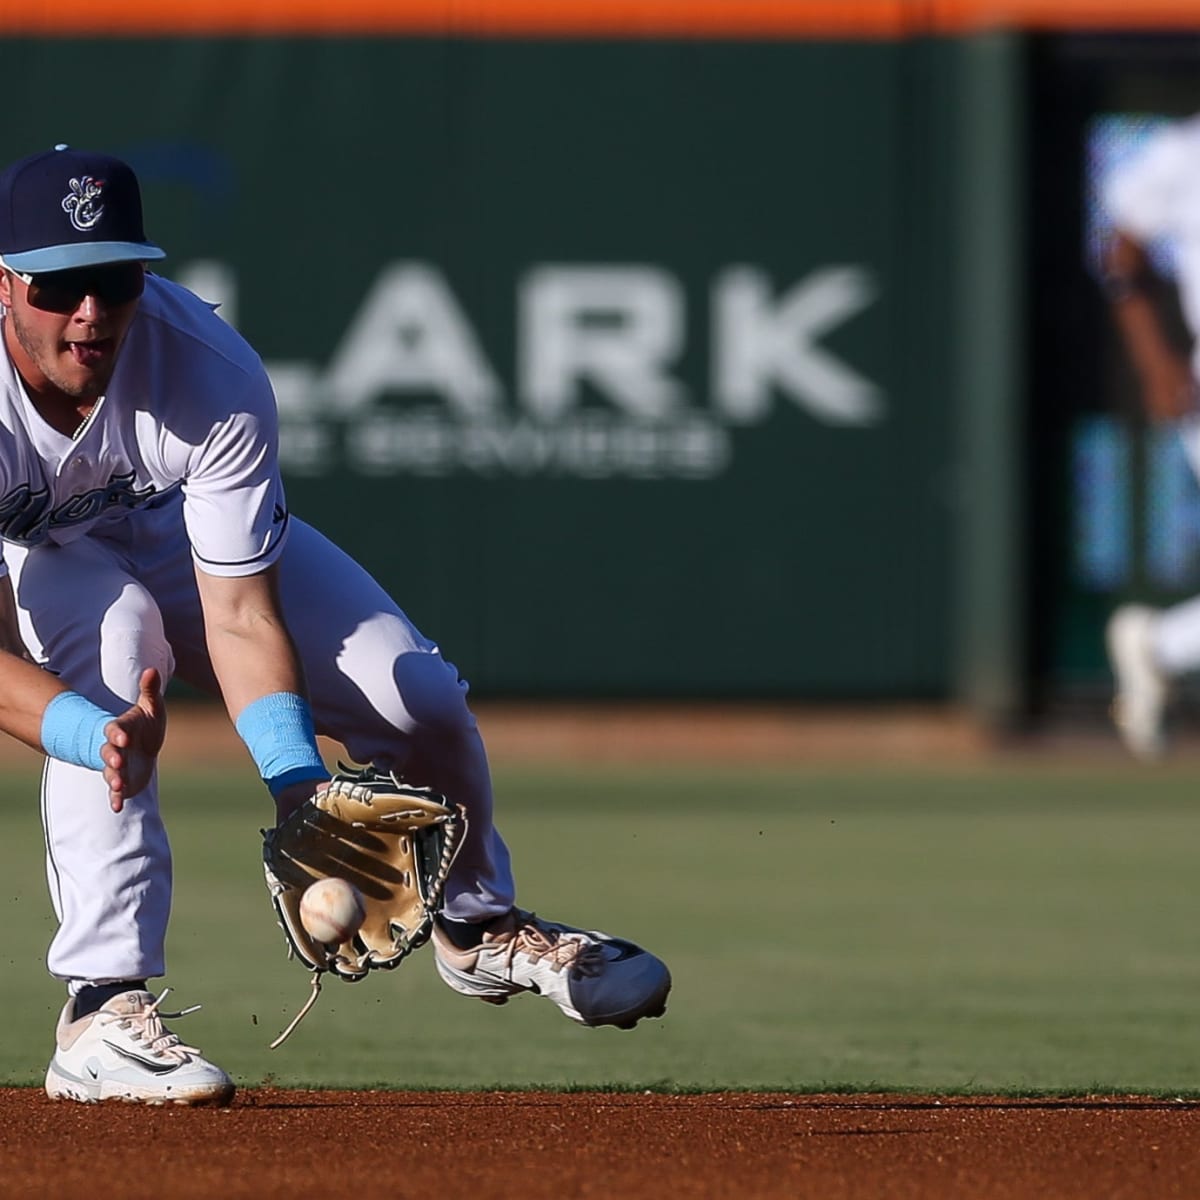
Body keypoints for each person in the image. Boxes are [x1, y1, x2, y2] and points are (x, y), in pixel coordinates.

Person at [0, 145, 670, 1107]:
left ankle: (478, 928)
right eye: (62, 285)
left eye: (112, 279)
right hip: (47, 558)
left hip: (170, 527)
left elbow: (237, 608)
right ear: (7, 280)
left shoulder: (208, 372)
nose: (91, 312)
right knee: (116, 648)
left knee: (420, 695)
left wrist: (299, 786)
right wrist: (87, 733)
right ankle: (101, 1009)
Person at [1101, 114, 1200, 759]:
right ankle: (1157, 643)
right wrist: (1154, 359)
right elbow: (1122, 249)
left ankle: (1160, 643)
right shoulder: (1182, 152)